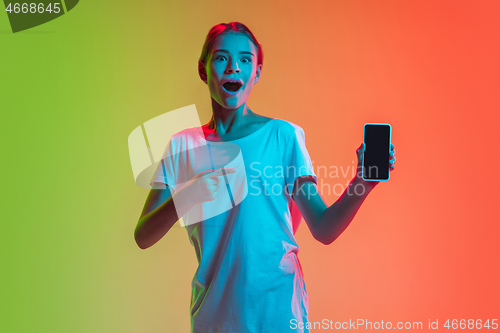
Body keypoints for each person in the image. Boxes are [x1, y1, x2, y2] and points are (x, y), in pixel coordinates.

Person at [134, 22, 396, 333]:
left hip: (279, 310)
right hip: (214, 317)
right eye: (221, 58)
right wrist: (188, 195)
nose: (234, 67)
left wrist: (362, 184)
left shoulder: (283, 136)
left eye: (246, 60)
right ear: (203, 70)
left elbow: (324, 228)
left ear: (257, 73)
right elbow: (143, 236)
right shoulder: (183, 145)